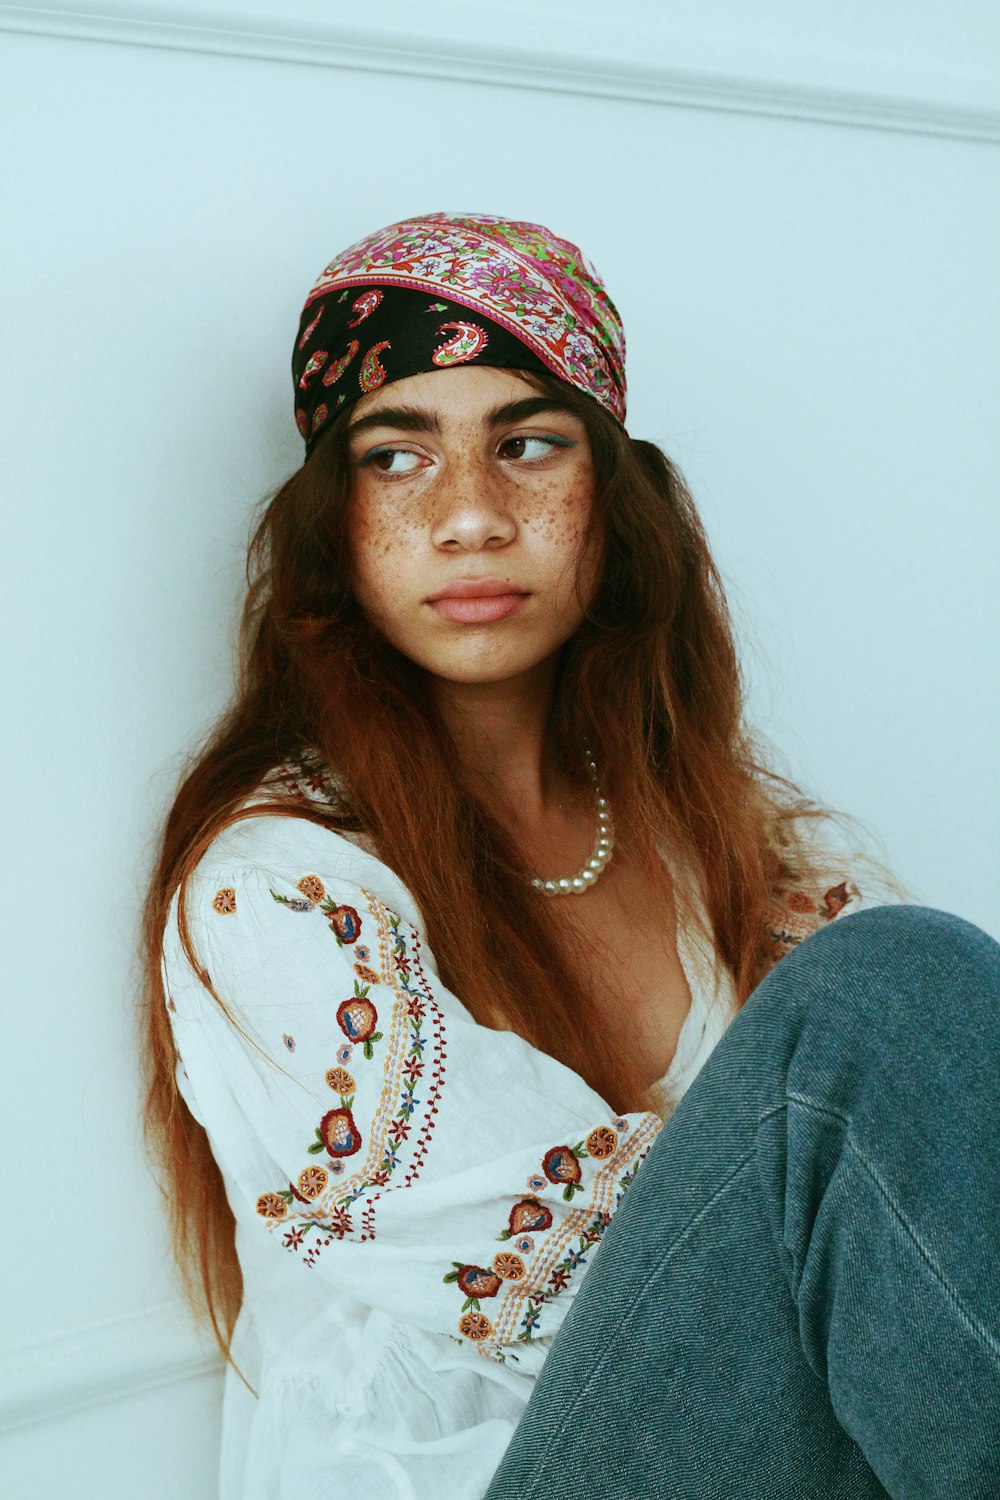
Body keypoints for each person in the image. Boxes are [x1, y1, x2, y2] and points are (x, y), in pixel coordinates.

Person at [141, 211, 1000, 1498]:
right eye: (396, 457)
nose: (472, 517)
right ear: (332, 521)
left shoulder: (727, 836)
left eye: (529, 446)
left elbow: (926, 1189)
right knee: (895, 981)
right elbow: (628, 1283)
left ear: (614, 498)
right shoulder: (278, 889)